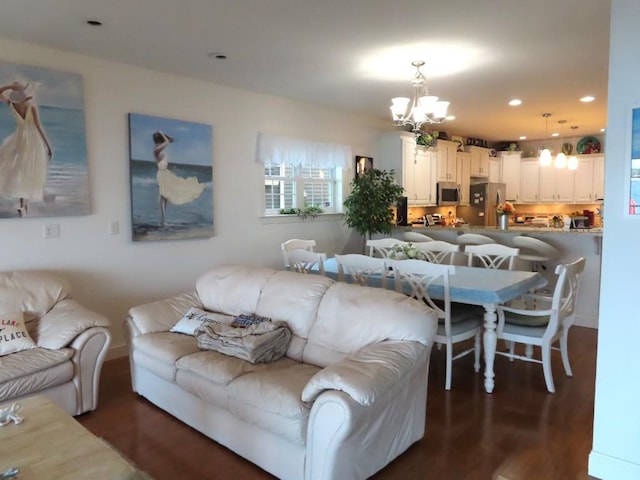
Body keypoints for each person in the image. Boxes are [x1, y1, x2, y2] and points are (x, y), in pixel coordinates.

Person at [0, 81, 53, 217]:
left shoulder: (13, 105)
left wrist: (9, 87)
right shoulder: (31, 106)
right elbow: (38, 126)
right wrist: (48, 145)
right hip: (32, 140)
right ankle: (23, 205)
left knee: (20, 169)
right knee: (29, 170)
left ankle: (23, 205)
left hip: (19, 138)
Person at [152, 131, 205, 227]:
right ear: (159, 140)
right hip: (162, 174)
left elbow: (165, 149)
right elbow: (167, 142)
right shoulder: (156, 149)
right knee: (164, 197)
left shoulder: (158, 149)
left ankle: (163, 220)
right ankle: (163, 221)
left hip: (165, 173)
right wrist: (162, 134)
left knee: (165, 197)